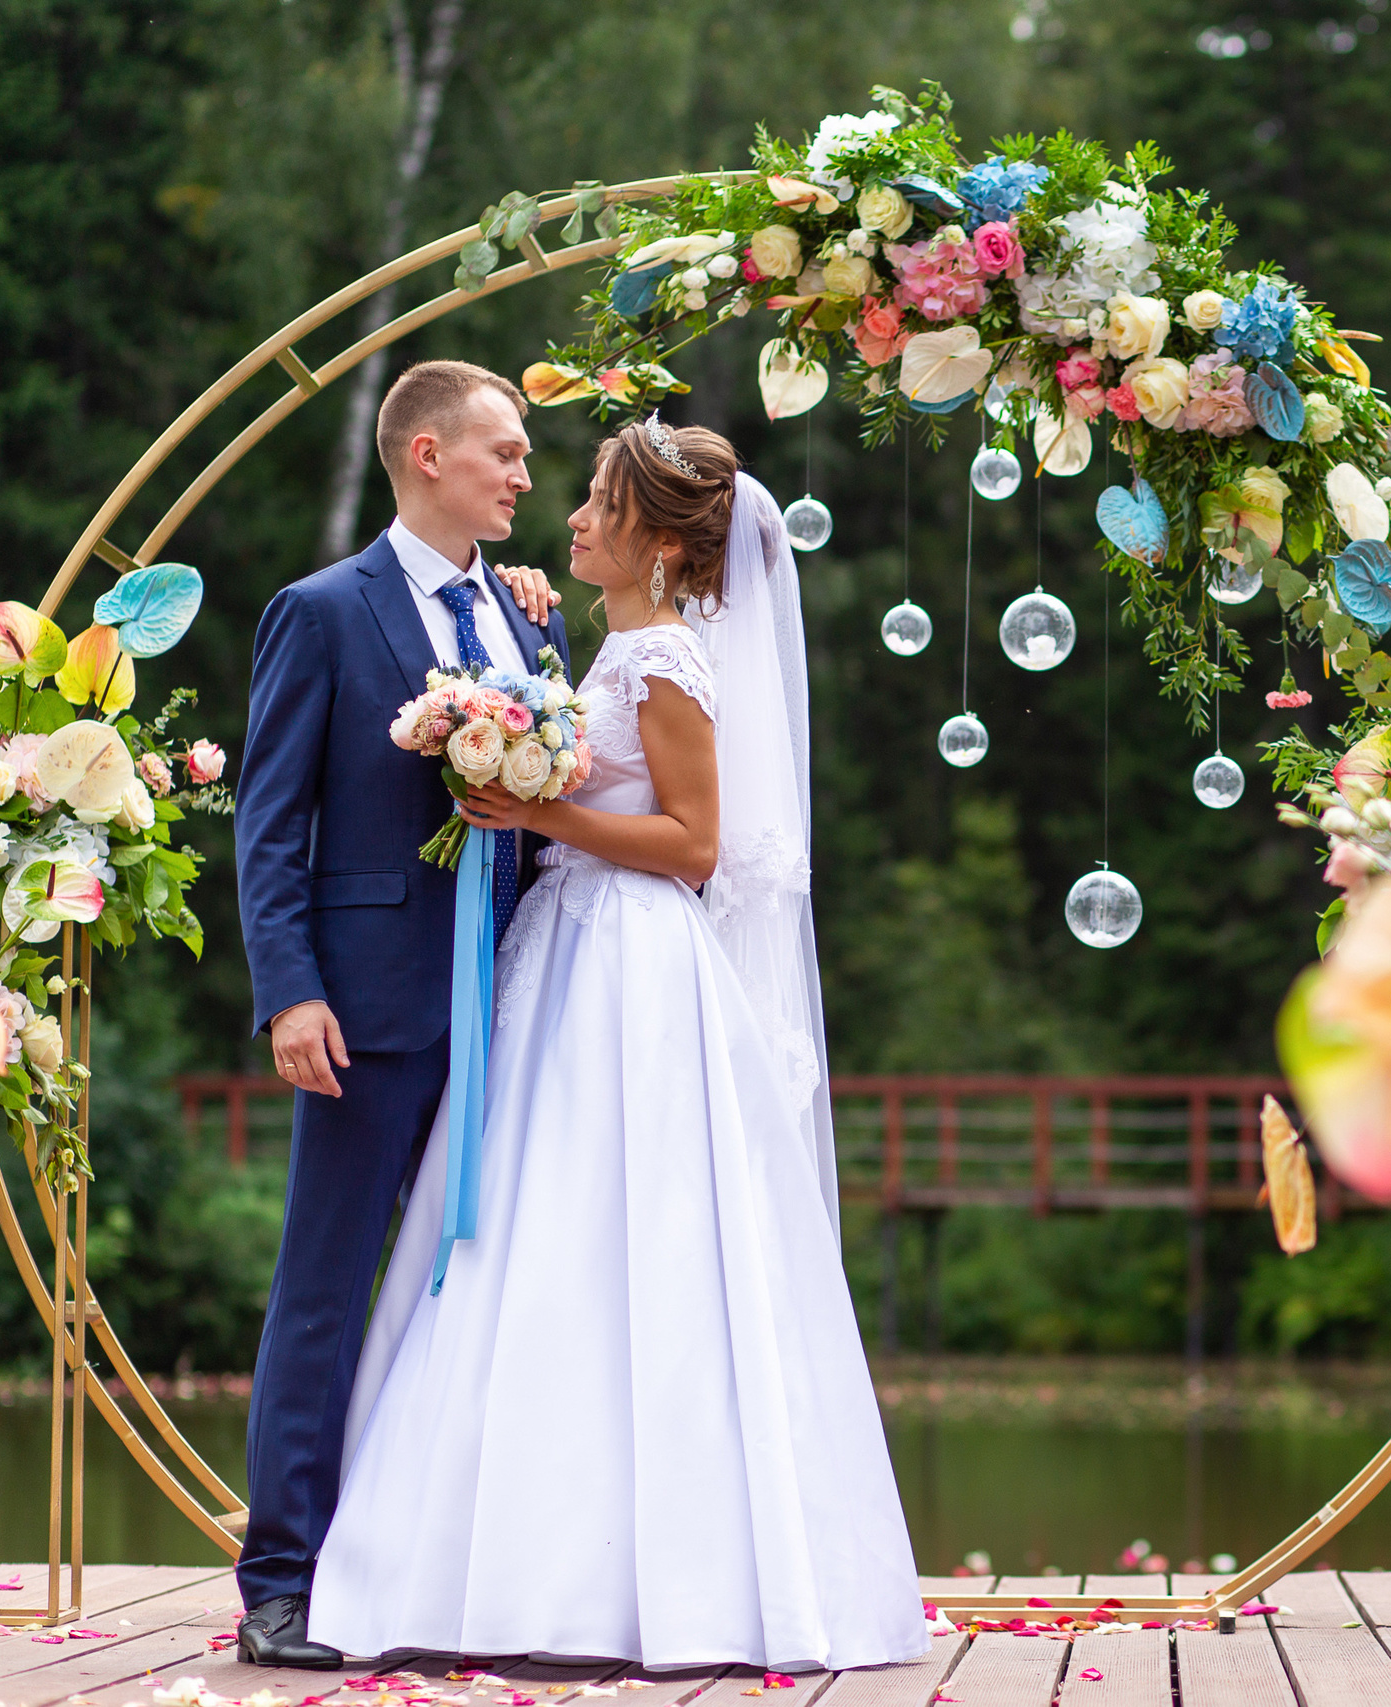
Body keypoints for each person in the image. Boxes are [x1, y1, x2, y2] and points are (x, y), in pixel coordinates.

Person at [303, 419, 928, 1672]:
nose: (573, 519)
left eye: (594, 502)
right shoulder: (616, 643)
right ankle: (530, 1563)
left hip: (634, 961)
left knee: (620, 1228)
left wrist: (540, 809)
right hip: (568, 950)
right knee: (545, 1229)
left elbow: (696, 845)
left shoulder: (665, 661)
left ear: (649, 533)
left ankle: (642, 1576)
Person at [236, 360, 566, 1667]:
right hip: (366, 1009)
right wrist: (291, 989)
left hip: (518, 994)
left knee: (480, 1292)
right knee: (324, 1289)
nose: (526, 475)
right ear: (427, 454)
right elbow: (270, 827)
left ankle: (432, 1564)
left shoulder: (529, 621)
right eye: (506, 450)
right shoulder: (321, 612)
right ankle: (278, 1580)